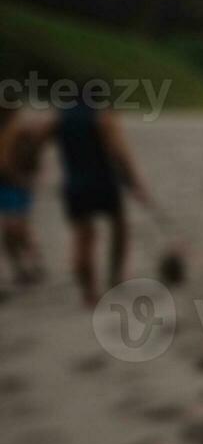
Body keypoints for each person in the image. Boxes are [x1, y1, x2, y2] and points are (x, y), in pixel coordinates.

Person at [49, 99, 152, 307]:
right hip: (103, 182)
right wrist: (134, 184)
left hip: (74, 184)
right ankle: (115, 276)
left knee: (82, 237)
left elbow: (35, 139)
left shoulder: (60, 117)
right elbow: (118, 152)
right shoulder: (103, 116)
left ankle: (89, 293)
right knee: (119, 225)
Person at [0, 106, 47, 286]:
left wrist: (27, 177)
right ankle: (21, 267)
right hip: (7, 183)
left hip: (15, 184)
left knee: (16, 227)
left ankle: (32, 263)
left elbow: (34, 154)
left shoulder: (20, 130)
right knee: (10, 230)